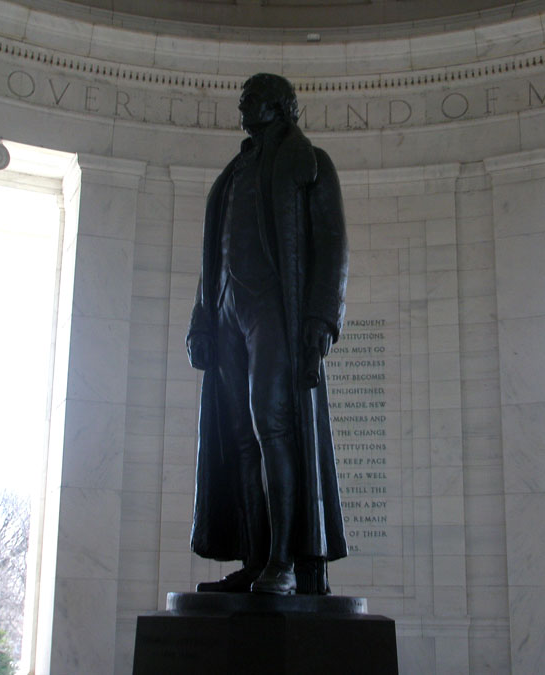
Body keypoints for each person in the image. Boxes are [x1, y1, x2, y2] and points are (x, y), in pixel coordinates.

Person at [186, 72, 349, 595]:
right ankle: (255, 560)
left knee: (272, 426)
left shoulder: (310, 163)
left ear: (281, 106)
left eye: (253, 98)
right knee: (239, 438)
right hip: (231, 307)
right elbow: (211, 259)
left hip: (277, 307)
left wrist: (322, 320)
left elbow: (332, 245)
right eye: (242, 99)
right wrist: (202, 320)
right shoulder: (233, 173)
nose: (243, 105)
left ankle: (284, 561)